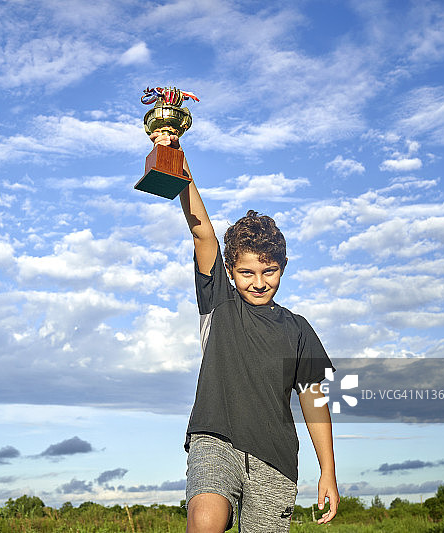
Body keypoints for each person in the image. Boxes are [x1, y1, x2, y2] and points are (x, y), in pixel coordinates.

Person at [149, 131, 340, 532]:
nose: (258, 282)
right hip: (214, 441)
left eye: (269, 271)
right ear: (230, 271)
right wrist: (175, 154)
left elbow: (313, 401)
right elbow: (202, 232)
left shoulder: (298, 329)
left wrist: (328, 472)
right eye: (246, 272)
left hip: (275, 460)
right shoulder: (219, 301)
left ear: (282, 268)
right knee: (204, 520)